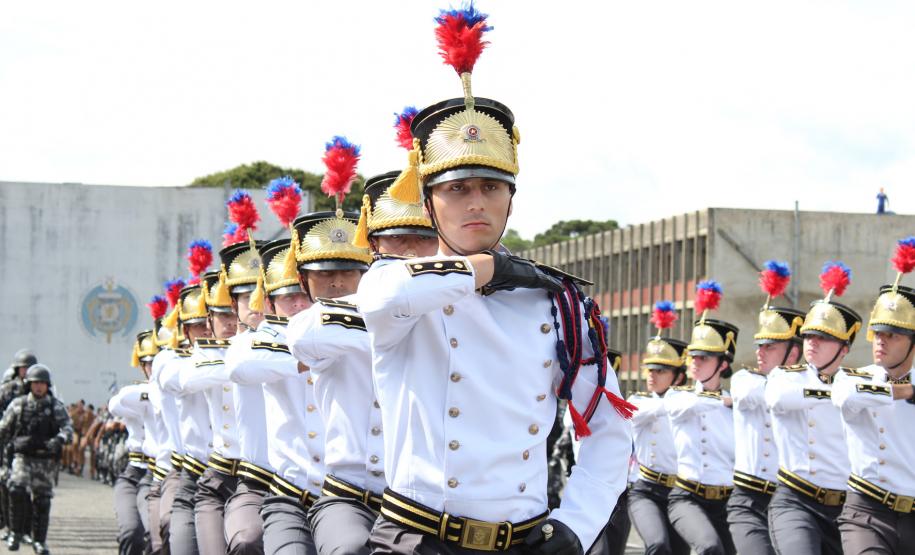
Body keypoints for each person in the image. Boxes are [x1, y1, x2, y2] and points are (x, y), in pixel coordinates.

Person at [360, 7, 633, 553]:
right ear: (428, 201)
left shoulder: (558, 304)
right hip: (417, 539)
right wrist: (493, 269)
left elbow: (610, 425)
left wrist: (578, 525)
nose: (476, 203)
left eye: (491, 186)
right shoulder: (399, 285)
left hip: (526, 540)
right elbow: (387, 295)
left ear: (512, 196)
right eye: (457, 190)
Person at [288, 167, 437, 555]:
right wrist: (392, 323)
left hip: (424, 502)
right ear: (373, 246)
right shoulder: (335, 315)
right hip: (348, 494)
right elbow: (305, 333)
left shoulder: (452, 309)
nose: (409, 250)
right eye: (395, 239)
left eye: (424, 239)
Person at [230, 208, 371, 555]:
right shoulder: (268, 337)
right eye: (285, 296)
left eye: (300, 294)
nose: (296, 302)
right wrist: (308, 356)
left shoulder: (357, 322)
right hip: (291, 493)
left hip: (355, 496)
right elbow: (241, 364)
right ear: (270, 302)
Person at [765, 261, 859, 555]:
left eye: (823, 337)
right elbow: (779, 399)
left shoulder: (857, 382)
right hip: (795, 500)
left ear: (844, 348)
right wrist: (840, 392)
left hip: (846, 508)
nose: (812, 343)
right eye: (808, 335)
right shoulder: (784, 377)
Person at [833, 238, 915, 554]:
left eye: (892, 335)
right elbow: (846, 397)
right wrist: (907, 391)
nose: (880, 342)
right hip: (867, 511)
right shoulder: (853, 377)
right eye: (877, 334)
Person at [727, 262, 804, 555]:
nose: (759, 352)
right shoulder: (745, 379)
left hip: (794, 498)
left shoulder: (803, 384)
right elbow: (759, 394)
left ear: (793, 351)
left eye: (769, 346)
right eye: (760, 345)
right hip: (749, 498)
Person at [664, 282, 737, 555]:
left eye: (704, 357)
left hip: (728, 500)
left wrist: (736, 401)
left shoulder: (737, 402)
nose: (694, 361)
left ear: (723, 364)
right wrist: (727, 401)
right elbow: (687, 405)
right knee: (708, 547)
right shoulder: (678, 396)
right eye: (692, 356)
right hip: (686, 496)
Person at [180, 264, 242, 555]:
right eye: (222, 316)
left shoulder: (268, 346)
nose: (230, 323)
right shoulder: (203, 354)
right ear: (210, 321)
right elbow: (188, 379)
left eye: (234, 313)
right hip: (217, 476)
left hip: (263, 480)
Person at [626, 303, 690, 555]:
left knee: (680, 550)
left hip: (681, 490)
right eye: (649, 370)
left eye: (660, 371)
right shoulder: (639, 401)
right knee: (658, 544)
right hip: (646, 489)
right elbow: (641, 414)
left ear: (678, 376)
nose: (651, 376)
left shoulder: (689, 403)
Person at [159, 283, 214, 555]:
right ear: (184, 331)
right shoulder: (172, 361)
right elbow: (183, 380)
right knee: (172, 527)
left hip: (244, 475)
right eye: (196, 325)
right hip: (190, 471)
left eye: (209, 321)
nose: (205, 330)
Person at [0, 364, 74, 554]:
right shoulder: (19, 404)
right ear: (29, 385)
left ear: (47, 385)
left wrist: (59, 439)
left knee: (42, 500)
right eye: (35, 383)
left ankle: (39, 541)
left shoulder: (55, 406)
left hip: (45, 461)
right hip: (22, 457)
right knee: (17, 489)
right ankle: (16, 532)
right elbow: (3, 430)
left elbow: (68, 428)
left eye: (42, 383)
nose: (39, 387)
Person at [109, 329, 159, 555]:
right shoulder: (136, 392)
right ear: (142, 366)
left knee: (156, 534)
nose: (155, 368)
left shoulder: (183, 388)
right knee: (131, 532)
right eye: (150, 363)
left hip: (162, 473)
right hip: (134, 472)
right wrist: (154, 394)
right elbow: (116, 404)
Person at [0, 349, 37, 541]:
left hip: (30, 445)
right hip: (8, 444)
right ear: (18, 369)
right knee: (8, 486)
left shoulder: (40, 387)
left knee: (29, 489)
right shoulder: (8, 389)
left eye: (31, 367)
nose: (27, 371)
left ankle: (26, 530)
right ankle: (10, 527)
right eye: (24, 368)